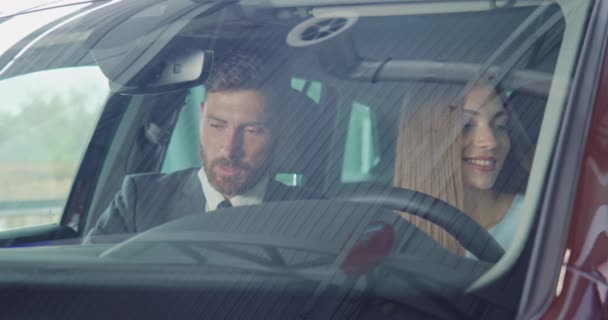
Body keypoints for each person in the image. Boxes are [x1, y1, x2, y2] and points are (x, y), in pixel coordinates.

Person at [84, 51, 316, 243]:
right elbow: (86, 286)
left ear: (281, 130)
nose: (228, 149)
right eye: (217, 125)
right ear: (202, 114)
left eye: (252, 130)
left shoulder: (312, 217)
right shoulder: (139, 200)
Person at [394, 82, 532, 255]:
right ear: (426, 142)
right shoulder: (390, 234)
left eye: (500, 125)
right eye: (466, 125)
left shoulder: (534, 221)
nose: (491, 141)